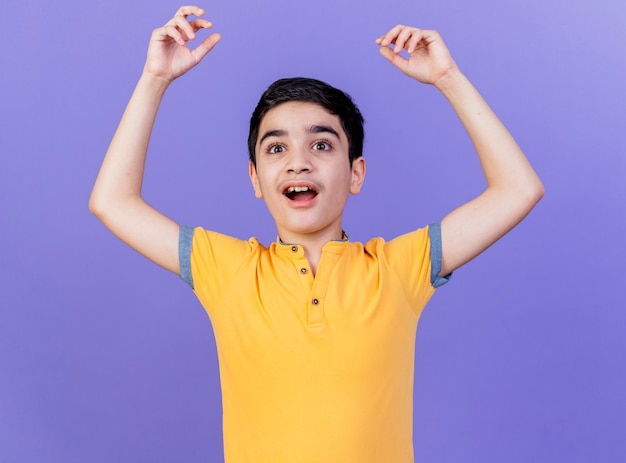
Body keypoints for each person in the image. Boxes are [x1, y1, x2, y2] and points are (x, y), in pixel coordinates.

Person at [89, 5, 544, 462]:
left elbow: (518, 189)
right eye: (277, 147)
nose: (298, 161)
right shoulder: (224, 268)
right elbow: (112, 202)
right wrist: (154, 78)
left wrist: (448, 77)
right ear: (255, 178)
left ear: (356, 173)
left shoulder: (400, 268)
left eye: (322, 144)